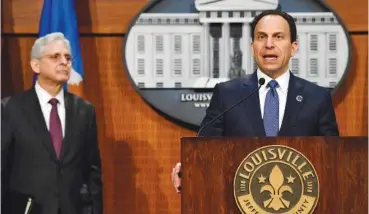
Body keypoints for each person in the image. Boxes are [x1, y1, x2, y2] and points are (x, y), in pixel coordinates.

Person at [171, 10, 339, 192]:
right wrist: (189, 172)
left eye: (278, 37)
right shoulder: (227, 94)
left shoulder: (317, 97)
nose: (269, 44)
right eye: (261, 37)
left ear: (293, 47)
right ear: (252, 48)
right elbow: (205, 150)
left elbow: (332, 158)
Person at [1, 32, 103, 214]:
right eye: (55, 57)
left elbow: (92, 172)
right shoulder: (10, 109)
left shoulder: (85, 110)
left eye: (68, 57)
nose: (64, 62)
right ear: (35, 65)